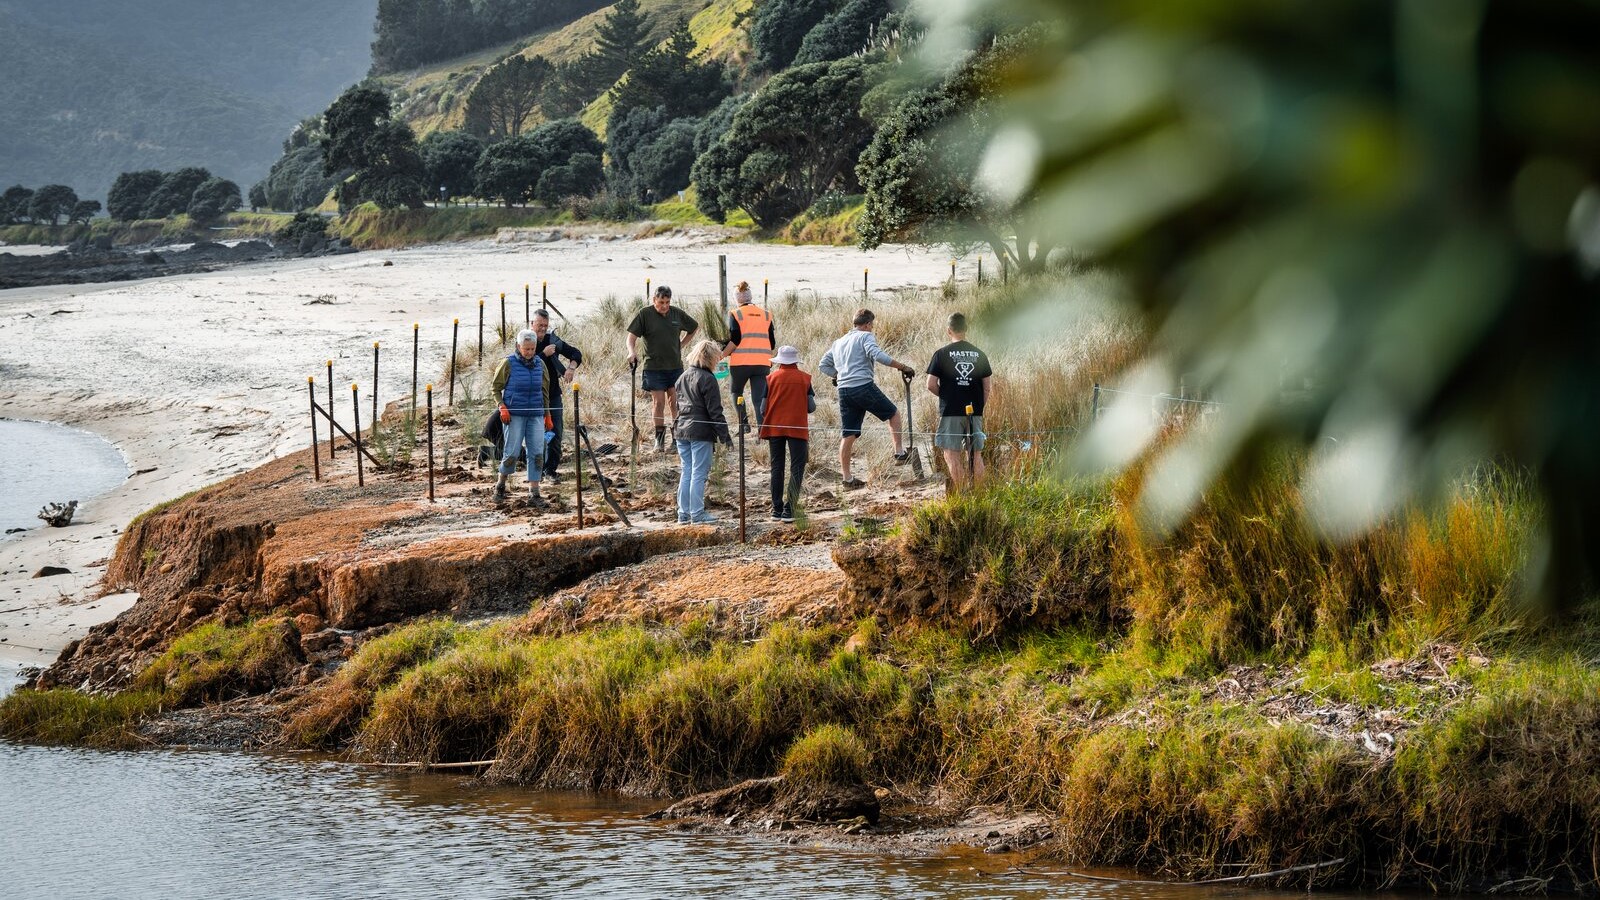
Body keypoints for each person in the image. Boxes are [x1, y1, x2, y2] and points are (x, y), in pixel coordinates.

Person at [817, 308, 916, 488]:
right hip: (862, 386)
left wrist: (837, 376)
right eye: (872, 325)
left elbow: (823, 365)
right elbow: (877, 355)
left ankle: (847, 479)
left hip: (844, 391)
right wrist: (902, 367)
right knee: (893, 414)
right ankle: (900, 454)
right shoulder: (865, 336)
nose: (872, 328)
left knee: (848, 434)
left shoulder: (838, 342)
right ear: (868, 324)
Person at [627, 285, 699, 453]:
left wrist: (681, 344)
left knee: (675, 403)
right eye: (661, 302)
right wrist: (631, 352)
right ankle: (659, 441)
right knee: (658, 403)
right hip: (653, 367)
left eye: (667, 302)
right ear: (654, 300)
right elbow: (631, 337)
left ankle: (677, 440)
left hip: (675, 367)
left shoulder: (676, 313)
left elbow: (693, 327)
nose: (664, 306)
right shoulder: (645, 314)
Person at [926, 312, 994, 490]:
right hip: (975, 411)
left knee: (951, 453)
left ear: (949, 331)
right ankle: (978, 495)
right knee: (975, 454)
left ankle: (963, 493)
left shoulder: (941, 354)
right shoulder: (980, 354)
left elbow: (930, 384)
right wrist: (979, 407)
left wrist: (947, 396)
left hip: (951, 411)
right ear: (966, 329)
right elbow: (987, 387)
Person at [673, 340, 732, 524]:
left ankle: (683, 514)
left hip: (681, 429)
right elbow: (715, 411)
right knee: (698, 472)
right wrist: (725, 436)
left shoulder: (682, 376)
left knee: (687, 471)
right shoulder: (707, 378)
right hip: (700, 431)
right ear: (710, 357)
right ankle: (697, 514)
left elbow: (677, 406)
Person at [491, 330, 550, 508]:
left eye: (532, 349)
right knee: (512, 452)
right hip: (514, 415)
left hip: (536, 415)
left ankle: (534, 492)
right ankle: (500, 485)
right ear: (518, 346)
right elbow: (495, 388)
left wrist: (547, 414)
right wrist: (502, 406)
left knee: (537, 452)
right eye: (526, 349)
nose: (530, 352)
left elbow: (544, 391)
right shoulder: (508, 364)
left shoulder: (540, 364)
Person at [759, 345, 815, 523]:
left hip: (775, 427)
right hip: (797, 427)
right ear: (795, 361)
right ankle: (789, 509)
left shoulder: (770, 378)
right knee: (797, 467)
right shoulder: (805, 378)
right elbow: (811, 407)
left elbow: (762, 409)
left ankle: (776, 509)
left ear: (779, 362)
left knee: (777, 467)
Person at [531, 309, 583, 482]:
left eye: (545, 326)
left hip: (553, 396)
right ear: (532, 324)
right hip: (531, 397)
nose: (542, 329)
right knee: (533, 436)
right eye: (539, 325)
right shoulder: (525, 340)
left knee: (554, 433)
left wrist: (571, 368)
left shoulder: (551, 340)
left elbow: (575, 353)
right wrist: (542, 355)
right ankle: (534, 469)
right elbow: (522, 363)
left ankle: (550, 470)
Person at [721, 280, 775, 433]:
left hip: (741, 363)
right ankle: (762, 431)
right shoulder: (766, 315)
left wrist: (722, 354)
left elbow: (735, 340)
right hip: (763, 363)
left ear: (737, 299)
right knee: (758, 399)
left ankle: (744, 426)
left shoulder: (735, 314)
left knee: (735, 392)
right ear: (750, 297)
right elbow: (772, 343)